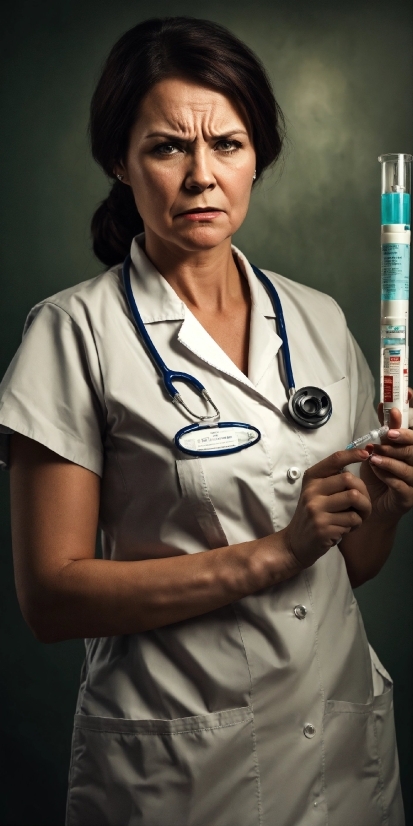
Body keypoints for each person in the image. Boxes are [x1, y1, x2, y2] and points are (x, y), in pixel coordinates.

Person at [0, 16, 411, 826]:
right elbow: (52, 598)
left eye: (226, 145)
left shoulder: (319, 319)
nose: (200, 177)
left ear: (257, 156)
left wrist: (389, 498)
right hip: (183, 772)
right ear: (119, 161)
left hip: (343, 757)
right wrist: (274, 551)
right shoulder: (72, 332)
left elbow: (342, 566)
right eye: (166, 148)